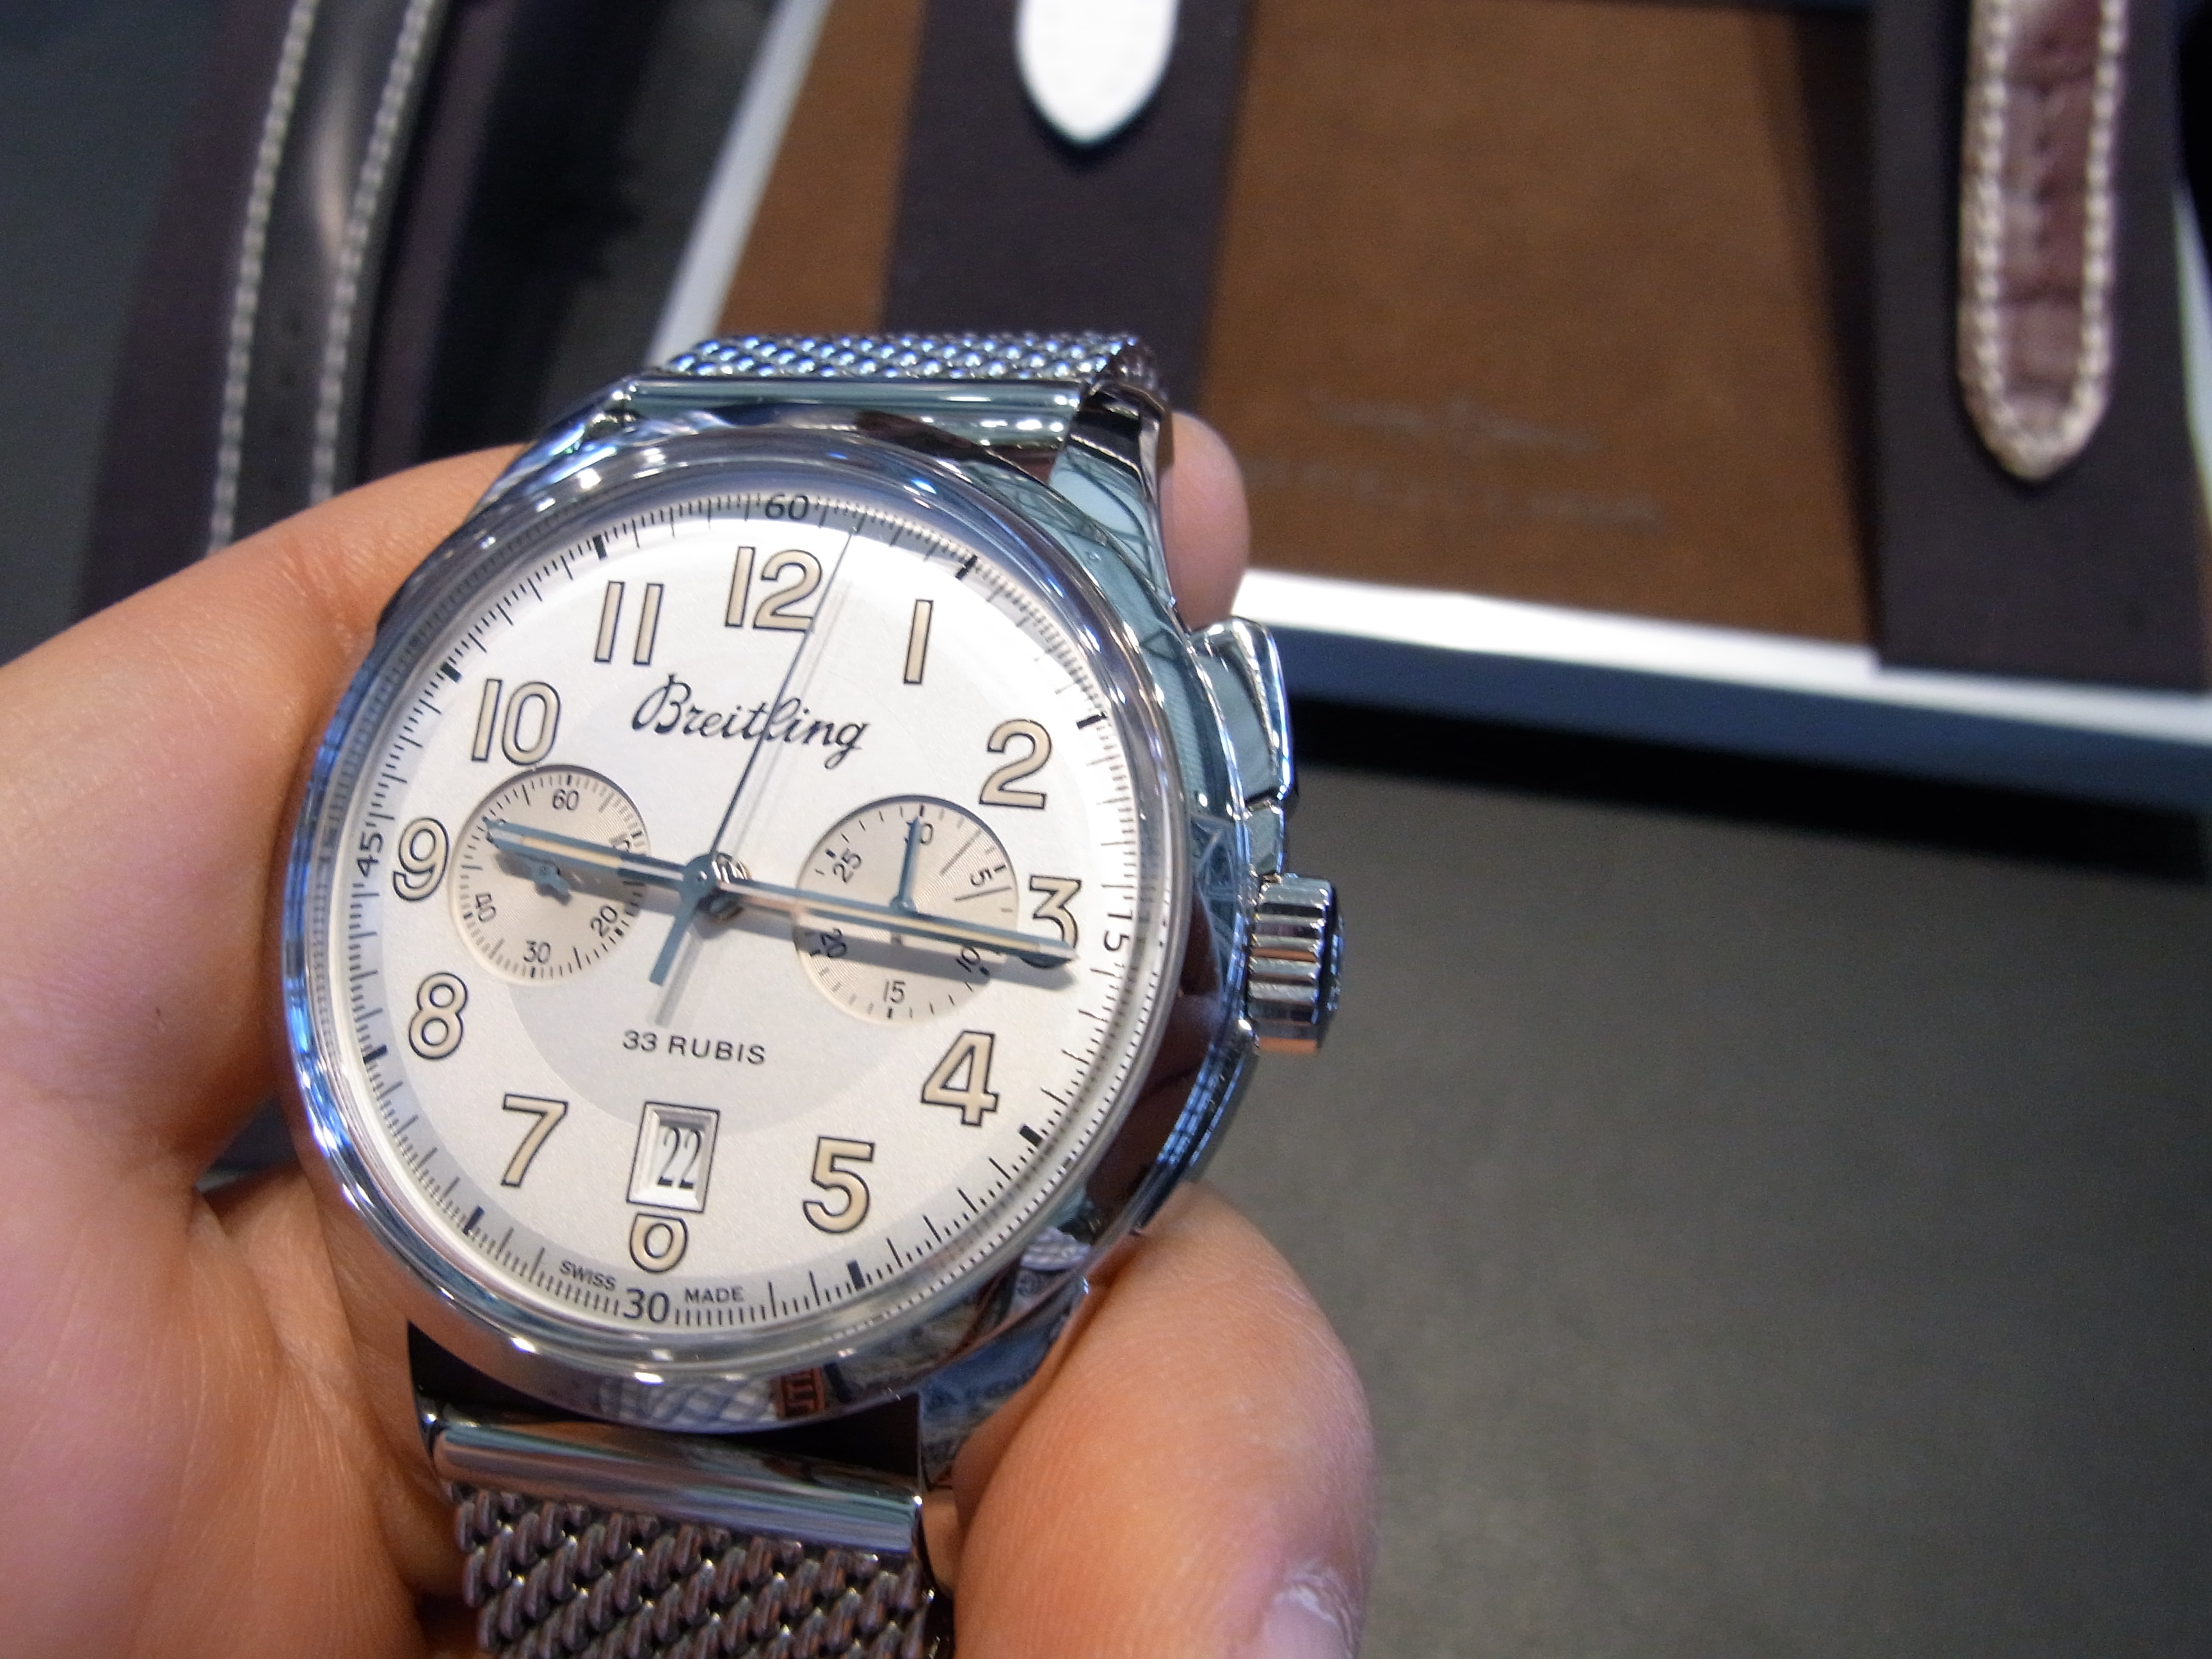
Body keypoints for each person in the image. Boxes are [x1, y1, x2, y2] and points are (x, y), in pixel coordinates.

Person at [0, 418, 1374, 1659]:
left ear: (1266, 960)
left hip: (808, 1399)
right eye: (698, 888)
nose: (711, 889)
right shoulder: (586, 525)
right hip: (459, 1332)